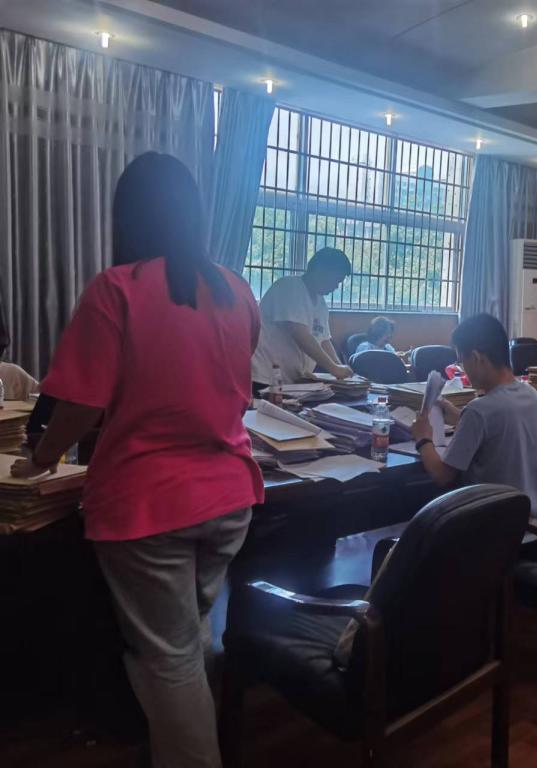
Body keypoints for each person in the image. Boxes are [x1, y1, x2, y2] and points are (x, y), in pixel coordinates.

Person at [12, 152, 263, 768]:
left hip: (150, 508)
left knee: (168, 656)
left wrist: (40, 458)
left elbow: (80, 404)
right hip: (229, 497)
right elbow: (234, 383)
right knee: (188, 637)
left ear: (127, 215)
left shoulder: (117, 288)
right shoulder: (235, 289)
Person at [411, 314, 537, 528]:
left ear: (476, 358)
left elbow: (442, 475)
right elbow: (500, 426)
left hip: (493, 535)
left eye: (461, 360)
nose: (462, 368)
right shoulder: (530, 394)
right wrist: (460, 416)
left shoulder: (480, 410)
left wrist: (423, 439)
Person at [250, 247, 353, 388]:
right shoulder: (290, 287)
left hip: (290, 379)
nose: (336, 286)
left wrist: (340, 369)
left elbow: (324, 340)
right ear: (320, 270)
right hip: (264, 376)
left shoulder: (321, 303)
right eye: (335, 280)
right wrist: (333, 368)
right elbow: (300, 334)